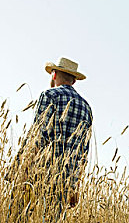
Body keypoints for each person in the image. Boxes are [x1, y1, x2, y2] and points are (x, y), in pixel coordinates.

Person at [31, 57, 93, 209]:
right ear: (74, 81)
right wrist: (75, 186)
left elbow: (38, 137)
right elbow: (83, 153)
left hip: (42, 176)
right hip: (66, 183)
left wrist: (25, 171)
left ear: (54, 75)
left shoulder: (49, 95)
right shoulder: (86, 108)